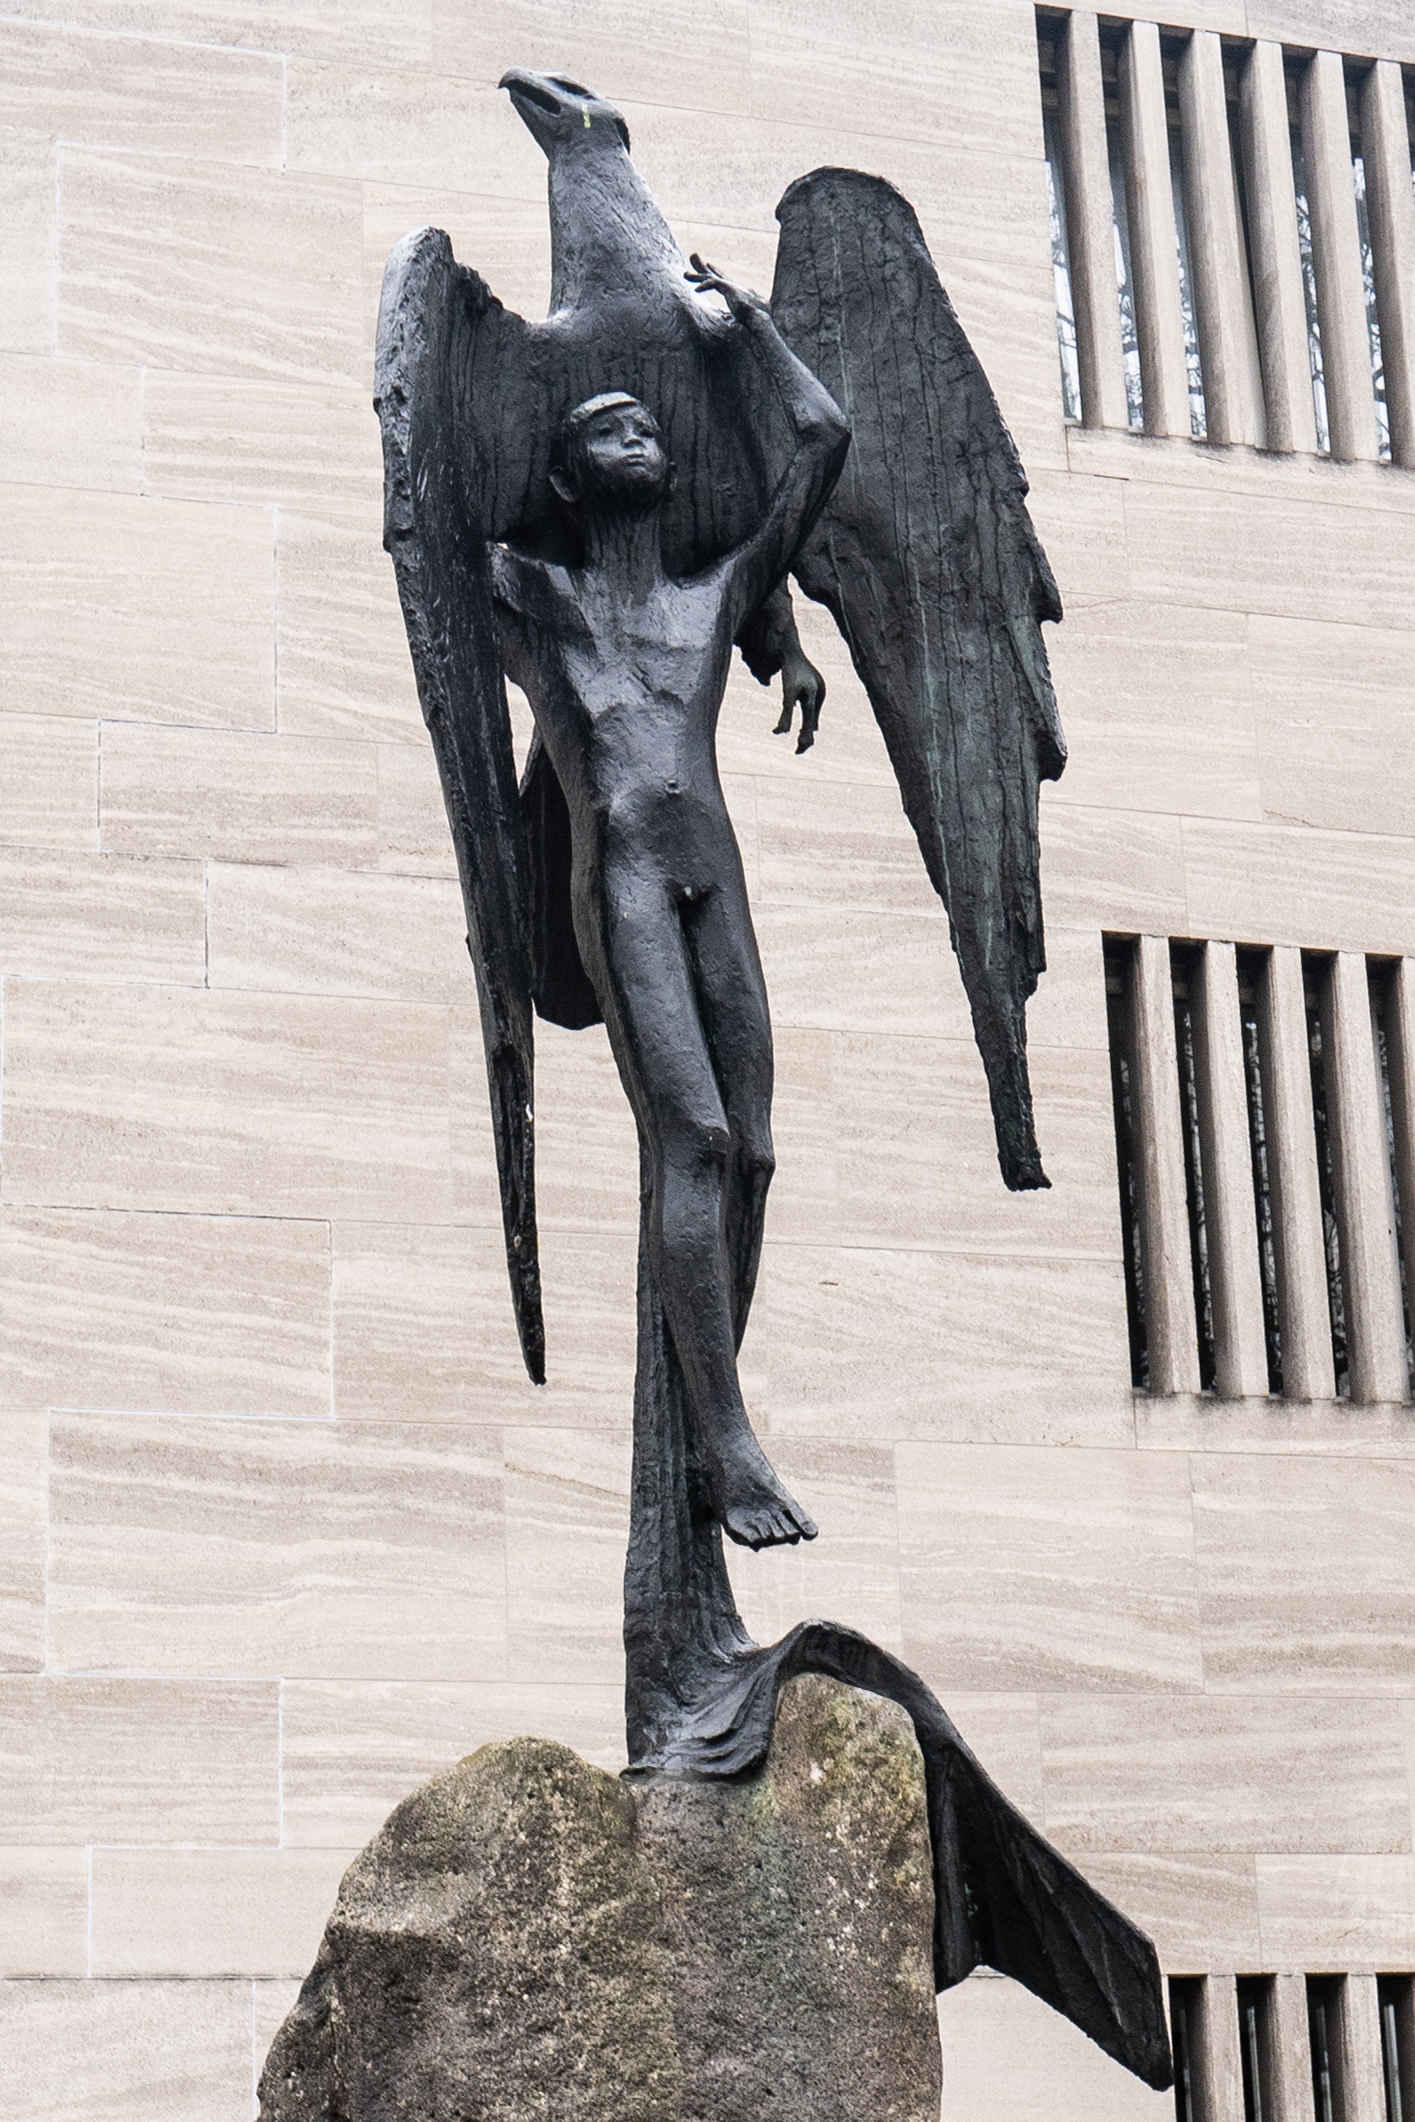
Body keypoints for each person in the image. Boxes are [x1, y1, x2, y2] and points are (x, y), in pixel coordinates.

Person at [489, 257, 849, 1550]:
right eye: (606, 429)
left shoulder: (713, 596)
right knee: (692, 1135)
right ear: (567, 481)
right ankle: (728, 1440)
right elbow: (431, 523)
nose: (636, 431)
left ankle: (704, 1415)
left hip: (715, 875)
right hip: (626, 878)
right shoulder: (537, 599)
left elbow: (821, 439)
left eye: (646, 423)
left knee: (755, 1151)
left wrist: (746, 325)